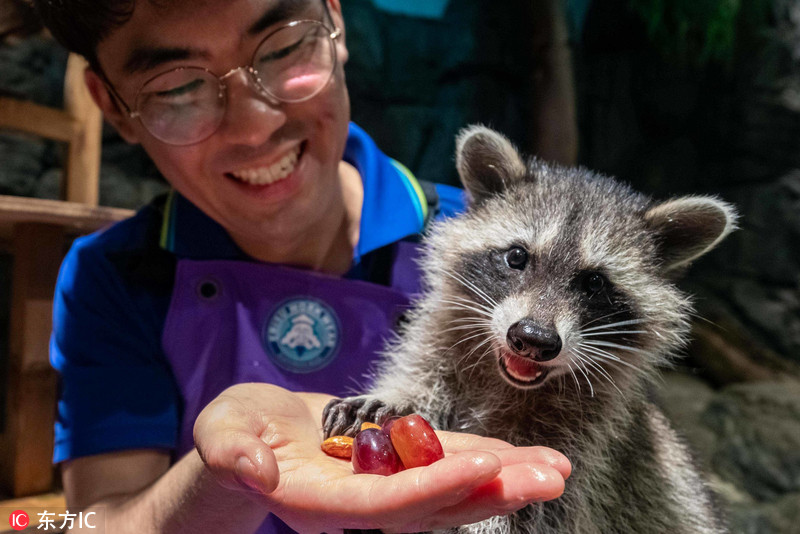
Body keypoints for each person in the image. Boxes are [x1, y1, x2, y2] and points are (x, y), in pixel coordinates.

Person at [34, 0, 571, 532]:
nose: (252, 127)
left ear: (335, 22)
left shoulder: (488, 245)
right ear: (112, 107)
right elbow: (88, 522)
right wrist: (222, 476)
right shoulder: (115, 277)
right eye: (177, 88)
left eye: (285, 48)